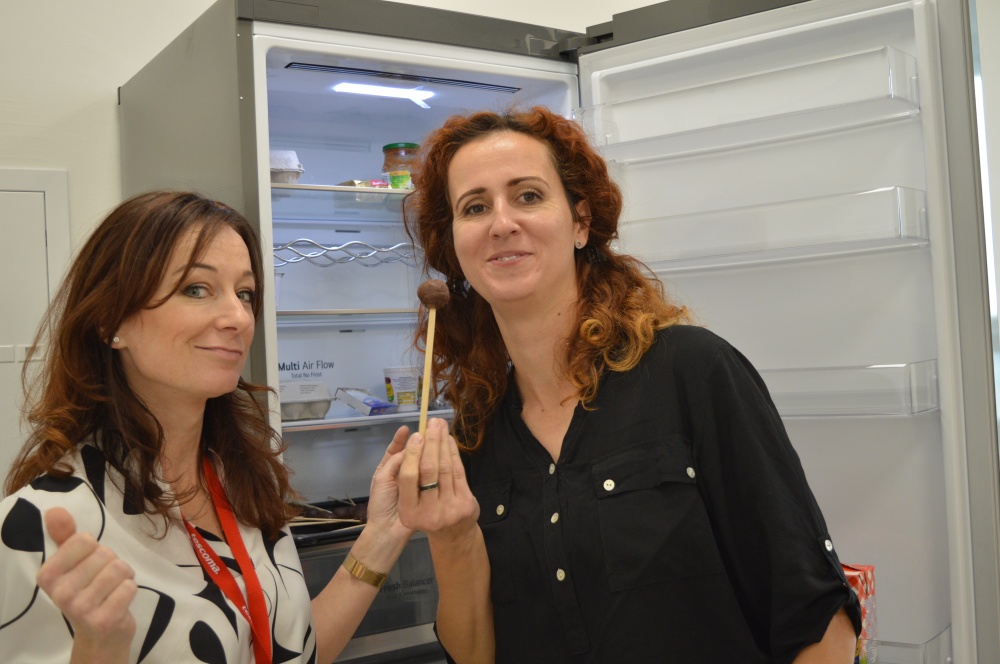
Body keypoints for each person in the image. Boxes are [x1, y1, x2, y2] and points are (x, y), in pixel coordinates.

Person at [396, 107, 863, 663]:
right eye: (474, 207)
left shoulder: (693, 373)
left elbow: (819, 620)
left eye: (528, 196)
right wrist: (450, 538)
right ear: (454, 246)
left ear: (580, 222)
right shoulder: (475, 436)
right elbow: (475, 656)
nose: (501, 223)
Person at [0, 191, 414, 664]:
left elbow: (288, 651)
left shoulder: (241, 479)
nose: (238, 317)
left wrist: (383, 535)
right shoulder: (42, 526)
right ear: (110, 319)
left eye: (245, 294)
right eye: (196, 289)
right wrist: (100, 652)